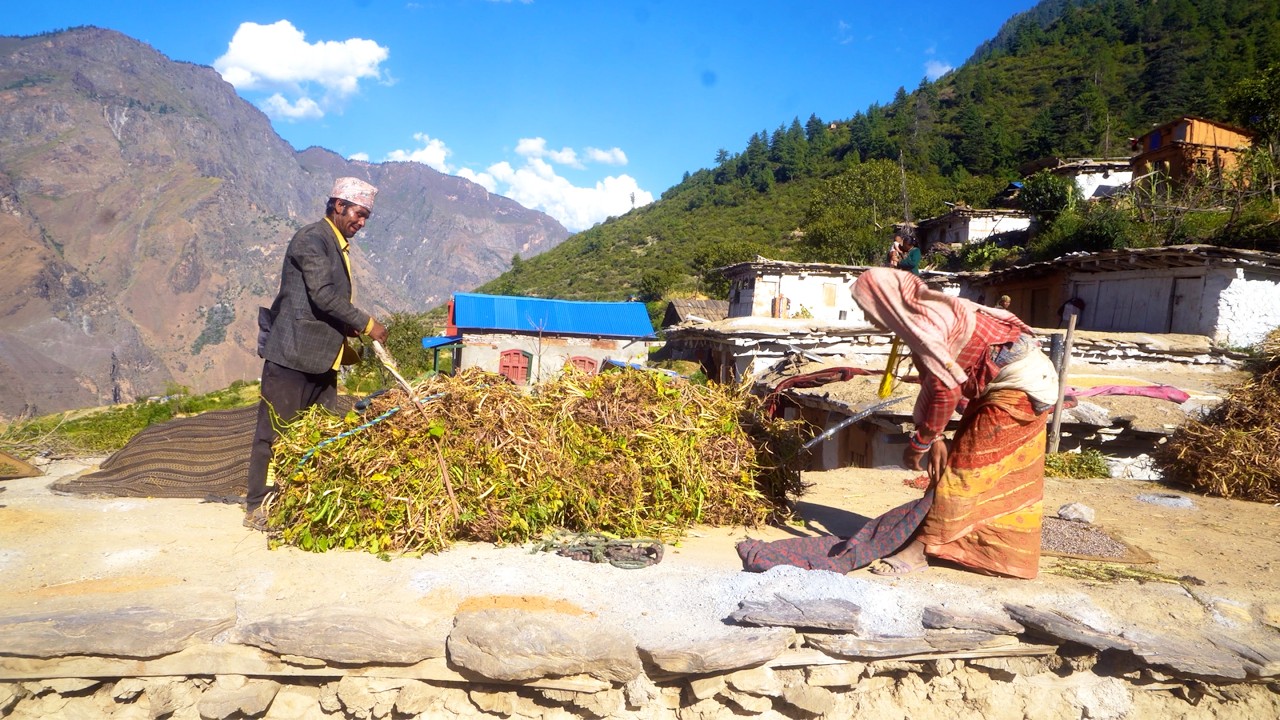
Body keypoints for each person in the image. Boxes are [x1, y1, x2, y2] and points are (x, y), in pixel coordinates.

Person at [737, 268, 1058, 579]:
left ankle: (919, 551)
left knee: (967, 472)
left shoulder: (930, 323)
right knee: (966, 469)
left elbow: (944, 391)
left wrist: (926, 442)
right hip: (1002, 384)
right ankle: (956, 541)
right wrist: (934, 439)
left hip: (1021, 387)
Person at [244, 177, 390, 531]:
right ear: (338, 205)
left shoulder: (336, 244)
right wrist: (367, 324)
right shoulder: (312, 239)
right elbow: (323, 295)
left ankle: (300, 501)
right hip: (292, 355)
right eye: (359, 213)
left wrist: (348, 327)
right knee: (274, 433)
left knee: (318, 433)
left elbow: (323, 304)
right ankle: (256, 507)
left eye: (367, 216)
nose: (362, 222)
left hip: (323, 359)